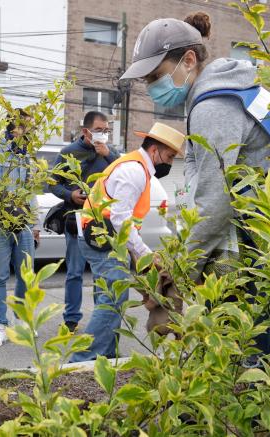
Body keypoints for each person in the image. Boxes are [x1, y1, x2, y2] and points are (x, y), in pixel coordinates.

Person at [120, 12, 270, 359]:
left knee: (252, 355)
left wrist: (182, 266)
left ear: (188, 60)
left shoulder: (214, 105)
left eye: (155, 76)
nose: (151, 87)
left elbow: (217, 204)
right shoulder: (237, 89)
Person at [70, 122, 185, 363]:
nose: (171, 163)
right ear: (154, 150)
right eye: (170, 156)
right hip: (102, 237)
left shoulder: (137, 166)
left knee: (110, 296)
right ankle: (83, 359)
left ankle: (107, 354)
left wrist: (137, 254)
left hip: (106, 237)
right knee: (113, 299)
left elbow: (125, 219)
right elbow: (121, 218)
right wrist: (143, 252)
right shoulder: (133, 170)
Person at [50, 111, 120, 332]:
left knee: (102, 273)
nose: (103, 134)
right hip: (76, 219)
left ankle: (101, 317)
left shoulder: (112, 153)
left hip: (103, 221)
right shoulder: (68, 153)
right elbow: (52, 183)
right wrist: (70, 195)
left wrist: (107, 154)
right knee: (74, 271)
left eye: (106, 131)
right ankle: (71, 319)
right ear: (85, 131)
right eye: (99, 130)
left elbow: (122, 174)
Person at [0, 109, 41, 348]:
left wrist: (35, 222)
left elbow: (32, 190)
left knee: (26, 273)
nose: (31, 131)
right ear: (14, 127)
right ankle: (1, 325)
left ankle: (22, 319)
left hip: (25, 221)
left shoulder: (28, 155)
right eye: (26, 127)